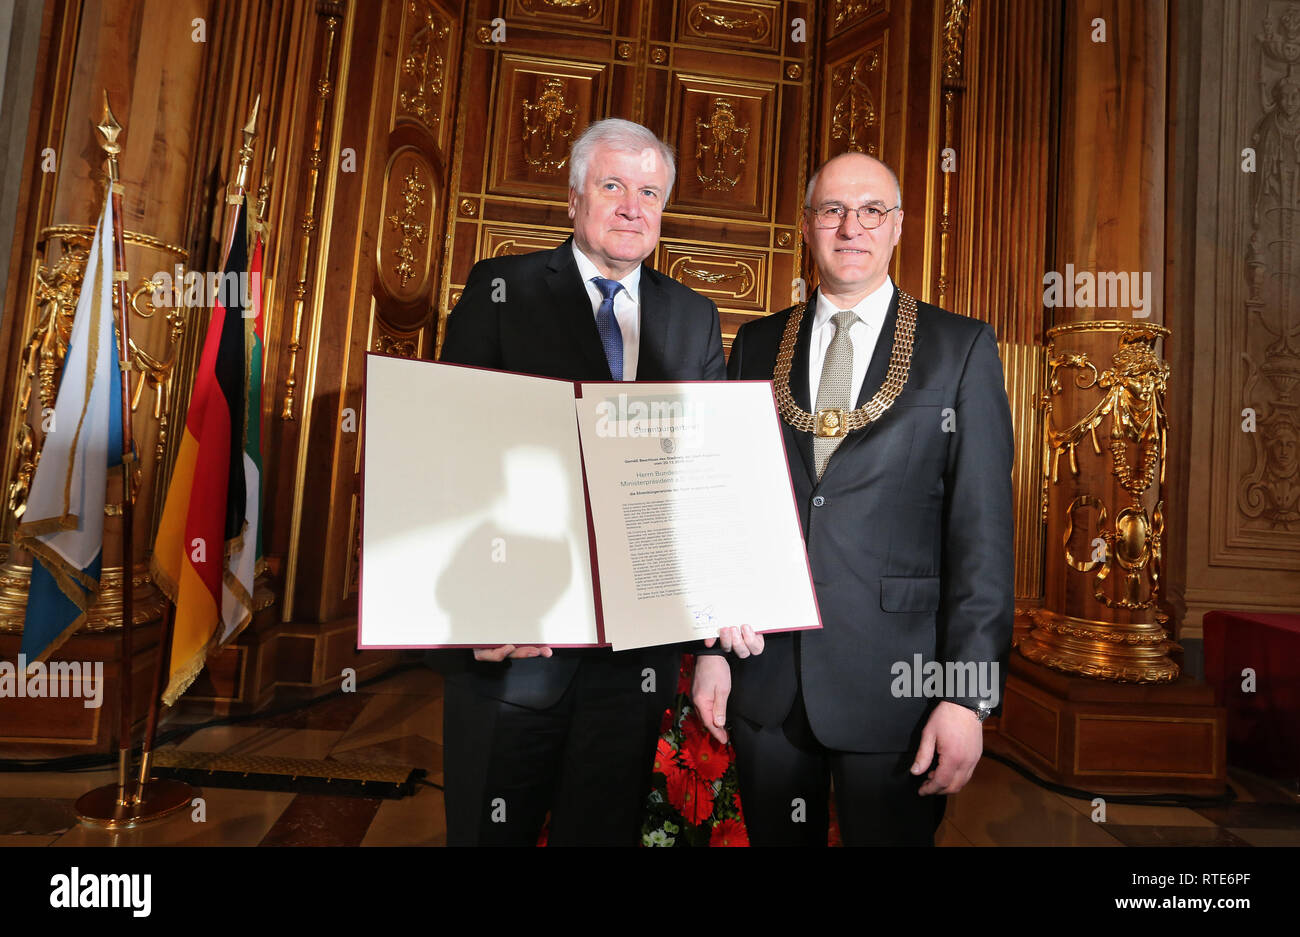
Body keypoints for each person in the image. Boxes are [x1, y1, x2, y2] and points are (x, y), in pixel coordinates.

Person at [437, 118, 762, 846]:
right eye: (612, 185)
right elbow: (446, 449)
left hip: (634, 660)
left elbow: (712, 481)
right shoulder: (503, 288)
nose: (631, 205)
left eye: (649, 191)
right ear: (575, 196)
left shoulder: (694, 316)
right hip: (516, 641)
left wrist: (716, 624)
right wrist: (472, 615)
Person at [692, 151, 1014, 846]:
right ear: (807, 226)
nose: (851, 227)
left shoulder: (959, 349)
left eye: (871, 210)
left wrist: (968, 696)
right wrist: (711, 647)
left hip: (899, 687)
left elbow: (982, 542)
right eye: (833, 210)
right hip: (766, 678)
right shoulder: (755, 343)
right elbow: (725, 503)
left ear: (898, 227)